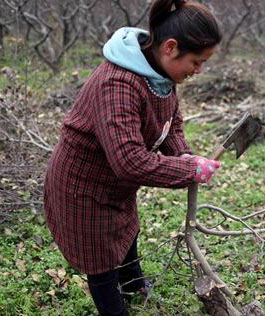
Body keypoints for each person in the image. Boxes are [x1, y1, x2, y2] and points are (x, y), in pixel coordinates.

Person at [43, 0, 222, 315]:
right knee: (99, 258)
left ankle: (133, 282)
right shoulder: (119, 84)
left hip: (115, 183)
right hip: (82, 186)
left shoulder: (160, 75)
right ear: (170, 47)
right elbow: (129, 162)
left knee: (127, 229)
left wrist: (183, 154)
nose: (199, 71)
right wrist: (188, 169)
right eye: (196, 61)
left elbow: (172, 124)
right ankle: (115, 309)